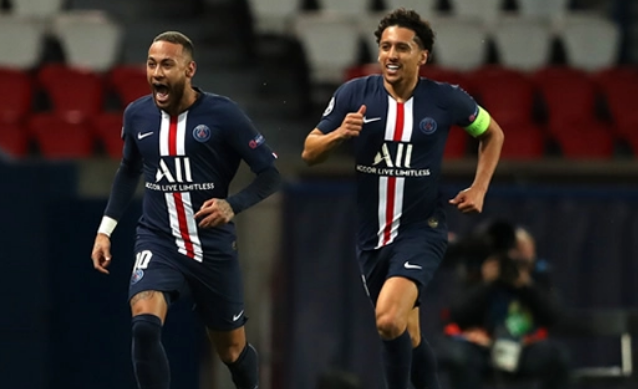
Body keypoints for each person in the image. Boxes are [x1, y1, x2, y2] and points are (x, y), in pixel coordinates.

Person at [301, 8, 504, 389]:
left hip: (420, 230)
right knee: (406, 333)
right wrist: (338, 135)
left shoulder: (446, 100)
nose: (391, 55)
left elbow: (492, 134)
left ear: (422, 55)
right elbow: (310, 152)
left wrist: (479, 187)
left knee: (389, 320)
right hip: (371, 238)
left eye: (402, 48)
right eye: (385, 47)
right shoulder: (353, 94)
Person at [90, 31, 280, 389]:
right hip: (159, 241)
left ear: (189, 69)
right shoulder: (137, 115)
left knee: (232, 351)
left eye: (167, 64)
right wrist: (105, 230)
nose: (157, 73)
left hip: (212, 247)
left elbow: (270, 174)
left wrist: (232, 204)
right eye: (151, 64)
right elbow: (129, 169)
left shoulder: (223, 114)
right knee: (145, 325)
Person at [441, 225, 571, 389]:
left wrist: (525, 286)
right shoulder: (474, 274)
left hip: (525, 347)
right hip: (481, 348)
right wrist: (487, 284)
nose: (514, 261)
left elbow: (553, 317)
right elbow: (458, 316)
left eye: (522, 257)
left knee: (557, 357)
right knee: (458, 357)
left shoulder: (537, 276)